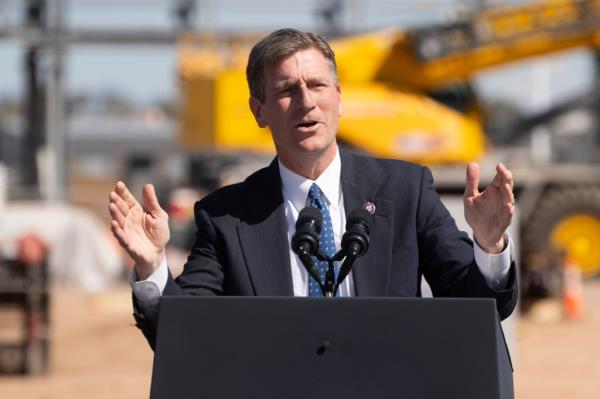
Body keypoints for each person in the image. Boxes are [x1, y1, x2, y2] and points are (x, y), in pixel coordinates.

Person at [108, 29, 517, 348]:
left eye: (318, 86)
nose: (306, 101)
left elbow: (479, 306)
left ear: (339, 98)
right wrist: (151, 266)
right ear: (259, 111)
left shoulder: (405, 190)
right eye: (286, 90)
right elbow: (184, 337)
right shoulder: (225, 217)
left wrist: (488, 245)